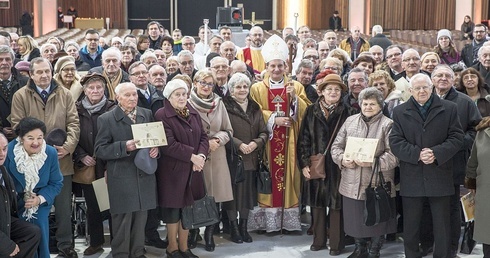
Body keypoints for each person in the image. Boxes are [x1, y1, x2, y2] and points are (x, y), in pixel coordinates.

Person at [10, 57, 80, 258]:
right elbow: (18, 125)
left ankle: (65, 244)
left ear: (52, 72)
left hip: (61, 159)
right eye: (39, 72)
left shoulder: (65, 94)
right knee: (31, 205)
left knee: (63, 206)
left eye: (47, 71)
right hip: (30, 163)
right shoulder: (21, 95)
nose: (44, 75)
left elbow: (74, 123)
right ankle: (37, 247)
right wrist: (37, 149)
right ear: (31, 74)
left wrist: (67, 147)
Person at [389, 73, 464, 258]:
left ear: (432, 89)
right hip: (412, 176)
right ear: (410, 91)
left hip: (440, 174)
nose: (422, 91)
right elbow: (395, 141)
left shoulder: (449, 108)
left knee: (442, 226)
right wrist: (417, 154)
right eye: (418, 88)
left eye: (425, 87)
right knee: (412, 227)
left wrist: (436, 153)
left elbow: (457, 137)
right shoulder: (399, 112)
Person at [248, 35, 310, 233]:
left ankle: (287, 223)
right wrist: (274, 118)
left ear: (286, 66)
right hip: (268, 143)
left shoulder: (296, 87)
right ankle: (268, 224)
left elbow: (307, 111)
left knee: (290, 178)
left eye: (280, 66)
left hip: (290, 142)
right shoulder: (257, 88)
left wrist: (294, 101)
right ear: (266, 66)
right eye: (272, 66)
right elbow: (253, 113)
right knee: (269, 181)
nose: (276, 70)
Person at [331, 87, 398, 257]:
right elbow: (336, 146)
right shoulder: (350, 121)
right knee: (355, 220)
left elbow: (394, 155)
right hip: (351, 179)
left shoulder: (388, 125)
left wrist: (373, 162)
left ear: (380, 106)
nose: (368, 107)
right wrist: (341, 159)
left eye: (372, 104)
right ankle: (360, 249)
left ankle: (374, 250)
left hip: (376, 182)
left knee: (377, 220)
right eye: (365, 103)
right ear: (360, 104)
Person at [94, 82, 158, 258]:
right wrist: (124, 147)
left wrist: (156, 150)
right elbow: (99, 150)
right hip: (121, 176)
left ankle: (138, 252)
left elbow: (154, 140)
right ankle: (120, 253)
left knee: (141, 217)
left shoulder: (147, 114)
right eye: (127, 95)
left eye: (134, 95)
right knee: (122, 219)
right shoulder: (106, 119)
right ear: (117, 98)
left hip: (144, 174)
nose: (132, 98)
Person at [154, 79, 209, 258]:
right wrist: (191, 156)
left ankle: (184, 247)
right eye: (177, 94)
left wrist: (201, 156)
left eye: (184, 94)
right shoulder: (162, 115)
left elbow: (203, 137)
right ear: (169, 97)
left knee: (188, 209)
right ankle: (172, 247)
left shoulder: (193, 113)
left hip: (194, 169)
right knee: (172, 211)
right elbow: (167, 144)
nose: (181, 97)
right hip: (172, 171)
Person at [297, 74, 350, 255]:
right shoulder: (311, 110)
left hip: (339, 165)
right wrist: (304, 163)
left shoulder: (348, 111)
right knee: (317, 204)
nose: (333, 92)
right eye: (329, 89)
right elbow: (303, 138)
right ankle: (318, 241)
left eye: (337, 89)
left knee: (337, 205)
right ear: (322, 91)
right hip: (316, 163)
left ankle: (336, 244)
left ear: (342, 92)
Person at [187, 69, 234, 252]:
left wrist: (216, 140)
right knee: (194, 197)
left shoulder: (218, 103)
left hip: (216, 157)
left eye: (210, 84)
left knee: (214, 199)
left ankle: (209, 234)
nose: (206, 87)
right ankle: (192, 232)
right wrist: (205, 143)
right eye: (203, 82)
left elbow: (228, 130)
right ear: (195, 83)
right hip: (195, 157)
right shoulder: (188, 103)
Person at [4, 117, 63, 258]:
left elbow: (56, 183)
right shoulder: (8, 151)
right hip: (13, 203)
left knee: (39, 225)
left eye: (40, 138)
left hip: (39, 202)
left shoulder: (50, 153)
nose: (36, 143)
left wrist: (39, 199)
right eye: (30, 138)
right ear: (21, 138)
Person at [71, 73, 116, 255]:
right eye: (91, 87)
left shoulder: (113, 108)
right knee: (93, 208)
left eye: (98, 87)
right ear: (84, 90)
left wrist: (107, 163)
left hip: (110, 166)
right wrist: (81, 155)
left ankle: (117, 242)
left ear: (104, 88)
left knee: (113, 208)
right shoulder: (76, 109)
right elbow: (72, 135)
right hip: (88, 167)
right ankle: (96, 242)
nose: (95, 90)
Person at [222, 73, 268, 244]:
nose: (242, 90)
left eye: (245, 87)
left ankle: (243, 227)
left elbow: (264, 132)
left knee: (247, 195)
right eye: (238, 87)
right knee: (232, 195)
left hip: (251, 157)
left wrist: (256, 143)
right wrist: (239, 144)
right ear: (231, 89)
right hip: (233, 157)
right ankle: (233, 229)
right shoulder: (224, 106)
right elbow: (222, 131)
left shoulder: (255, 107)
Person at [0, 133, 41, 258]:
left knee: (32, 232)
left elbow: (9, 199)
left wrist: (28, 197)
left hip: (4, 220)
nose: (2, 154)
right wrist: (6, 245)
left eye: (4, 149)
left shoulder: (3, 171)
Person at [465, 116, 490, 258]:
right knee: (488, 238)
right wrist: (471, 182)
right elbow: (473, 161)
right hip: (486, 191)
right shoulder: (482, 132)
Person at [0, 45, 28, 141]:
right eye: (0, 59)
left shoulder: (26, 83)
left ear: (12, 62)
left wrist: (18, 129)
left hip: (23, 136)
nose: (4, 63)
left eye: (7, 59)